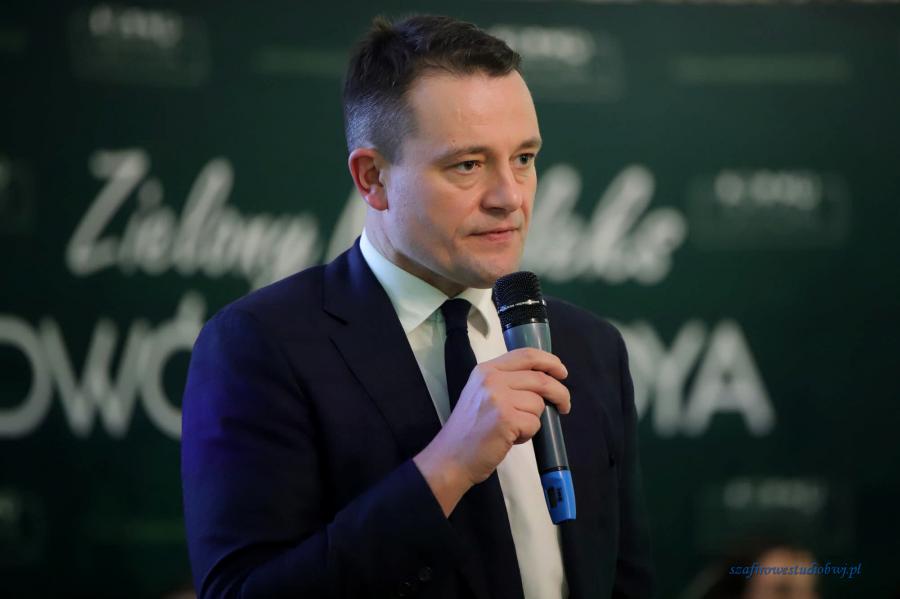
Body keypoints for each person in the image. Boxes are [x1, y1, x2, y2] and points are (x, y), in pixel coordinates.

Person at [181, 14, 654, 599]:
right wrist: (447, 467)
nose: (510, 197)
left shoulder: (590, 346)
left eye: (524, 158)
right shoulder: (261, 345)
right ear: (373, 178)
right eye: (468, 164)